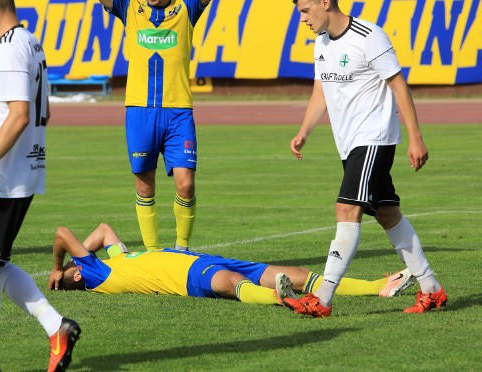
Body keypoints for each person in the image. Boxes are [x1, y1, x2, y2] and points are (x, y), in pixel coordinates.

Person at [285, 0, 447, 317]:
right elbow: (321, 89)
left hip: (374, 139)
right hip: (350, 145)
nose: (302, 18)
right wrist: (304, 131)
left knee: (346, 207)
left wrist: (416, 137)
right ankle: (432, 290)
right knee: (388, 214)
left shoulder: (369, 35)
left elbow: (399, 86)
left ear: (324, 3)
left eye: (305, 10)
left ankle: (322, 298)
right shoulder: (321, 42)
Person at [0, 1, 80, 371]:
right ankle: (57, 327)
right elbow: (45, 110)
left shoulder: (9, 46)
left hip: (1, 178)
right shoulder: (29, 41)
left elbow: (20, 114)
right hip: (17, 172)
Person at [48, 223, 416, 306]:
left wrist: (66, 269)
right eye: (75, 267)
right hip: (189, 275)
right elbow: (63, 233)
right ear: (79, 271)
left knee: (295, 274)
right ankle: (284, 300)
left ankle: (376, 287)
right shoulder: (95, 274)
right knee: (227, 281)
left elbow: (103, 230)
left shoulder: (116, 260)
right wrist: (55, 269)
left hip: (201, 258)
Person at [97, 0, 212, 251]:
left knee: (186, 184)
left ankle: (182, 248)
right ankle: (152, 252)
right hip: (140, 110)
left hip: (178, 110)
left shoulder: (187, 7)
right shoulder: (128, 6)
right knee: (145, 184)